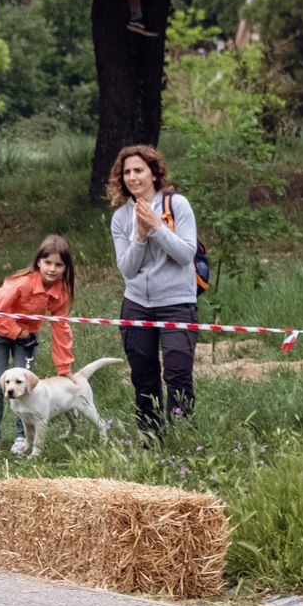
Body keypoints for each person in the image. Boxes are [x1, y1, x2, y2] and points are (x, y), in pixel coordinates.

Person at [109, 143, 199, 434]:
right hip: (136, 304)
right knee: (143, 378)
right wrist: (139, 236)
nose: (133, 177)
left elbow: (186, 254)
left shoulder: (178, 205)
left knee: (177, 375)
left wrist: (158, 229)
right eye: (127, 172)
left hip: (176, 303)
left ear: (154, 173)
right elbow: (127, 268)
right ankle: (150, 438)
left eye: (139, 170)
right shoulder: (120, 217)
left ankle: (182, 440)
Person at [0, 235, 79, 453]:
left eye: (59, 264)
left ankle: (22, 437)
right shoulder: (21, 283)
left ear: (66, 267)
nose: (52, 269)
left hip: (26, 338)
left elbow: (61, 328)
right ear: (38, 262)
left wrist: (64, 368)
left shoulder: (60, 293)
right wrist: (17, 331)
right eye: (48, 263)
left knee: (24, 382)